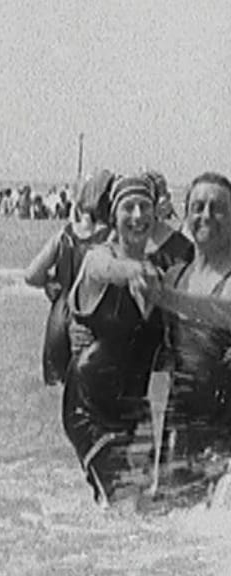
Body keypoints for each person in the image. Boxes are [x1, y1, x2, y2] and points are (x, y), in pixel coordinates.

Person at [62, 175, 168, 506]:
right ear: (113, 215)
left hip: (136, 411)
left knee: (145, 512)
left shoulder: (160, 270)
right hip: (89, 408)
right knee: (124, 504)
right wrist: (131, 271)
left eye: (144, 206)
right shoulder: (98, 258)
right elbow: (103, 269)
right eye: (128, 207)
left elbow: (161, 356)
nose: (137, 215)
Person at [143, 172, 231, 500]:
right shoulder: (174, 276)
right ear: (186, 214)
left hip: (225, 432)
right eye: (198, 207)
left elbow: (221, 311)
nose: (206, 215)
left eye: (218, 208)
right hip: (179, 429)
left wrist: (165, 298)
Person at [24, 170, 113, 386]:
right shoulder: (111, 238)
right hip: (91, 319)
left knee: (59, 388)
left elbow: (31, 275)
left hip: (59, 317)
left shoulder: (64, 235)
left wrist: (50, 282)